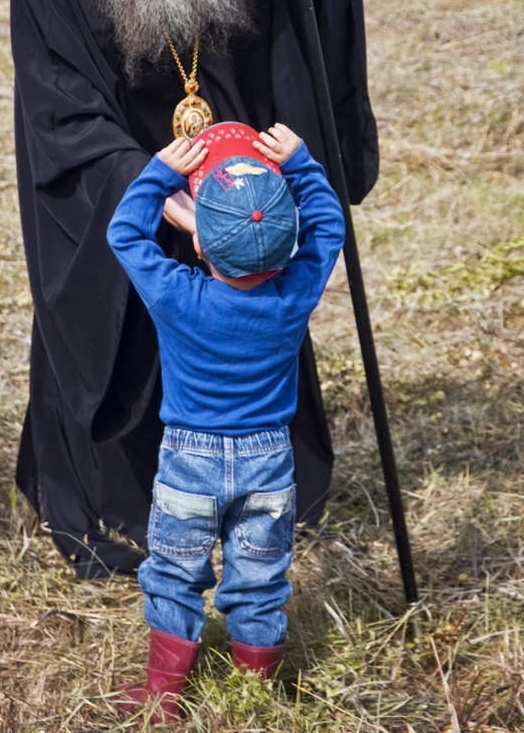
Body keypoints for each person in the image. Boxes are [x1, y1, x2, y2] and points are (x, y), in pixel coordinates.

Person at [10, 0, 379, 578]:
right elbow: (59, 106)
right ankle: (123, 503)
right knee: (125, 320)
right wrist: (149, 192)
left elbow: (318, 29)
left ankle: (261, 494)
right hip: (127, 181)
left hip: (241, 188)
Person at [106, 122, 345, 719]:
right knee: (260, 579)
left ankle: (163, 696)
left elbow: (125, 234)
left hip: (190, 459)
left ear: (200, 246)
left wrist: (163, 169)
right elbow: (330, 227)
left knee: (173, 574)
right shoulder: (293, 296)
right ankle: (254, 693)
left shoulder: (177, 295)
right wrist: (302, 164)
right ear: (286, 241)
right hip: (269, 461)